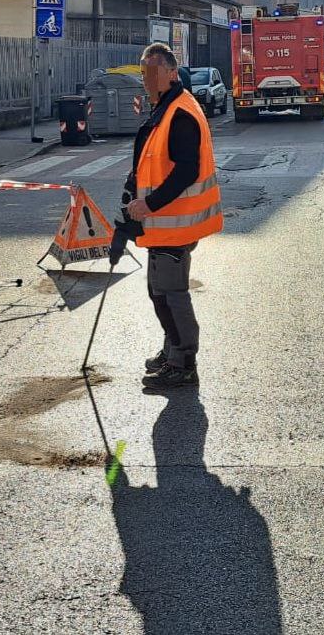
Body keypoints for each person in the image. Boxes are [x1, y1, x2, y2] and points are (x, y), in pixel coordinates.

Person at [122, 42, 222, 390]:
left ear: (171, 73)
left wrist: (149, 204)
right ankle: (172, 351)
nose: (147, 77)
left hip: (175, 223)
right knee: (159, 292)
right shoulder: (164, 107)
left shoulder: (180, 112)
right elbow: (151, 159)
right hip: (162, 224)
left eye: (153, 70)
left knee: (171, 294)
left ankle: (184, 362)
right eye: (143, 70)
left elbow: (186, 171)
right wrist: (132, 189)